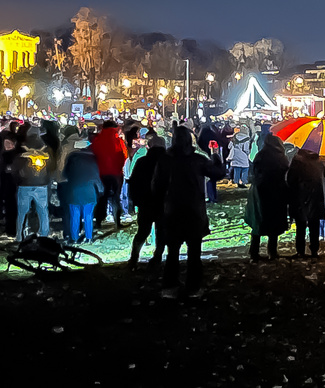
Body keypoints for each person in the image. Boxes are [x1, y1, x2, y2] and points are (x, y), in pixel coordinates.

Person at [155, 126, 226, 298]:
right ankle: (193, 287)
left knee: (173, 251)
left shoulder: (165, 160)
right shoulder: (198, 160)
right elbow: (218, 173)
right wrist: (215, 156)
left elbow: (156, 186)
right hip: (193, 211)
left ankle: (170, 286)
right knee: (194, 253)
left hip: (172, 211)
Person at [126, 135, 168, 269]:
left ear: (149, 147)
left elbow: (133, 182)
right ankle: (158, 257)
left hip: (146, 203)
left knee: (142, 231)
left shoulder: (142, 161)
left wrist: (135, 201)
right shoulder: (169, 162)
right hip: (164, 203)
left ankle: (134, 258)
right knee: (162, 232)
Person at [246, 135, 290, 259]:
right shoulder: (281, 157)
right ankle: (272, 252)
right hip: (276, 193)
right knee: (273, 224)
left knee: (258, 222)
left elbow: (254, 172)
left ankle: (254, 252)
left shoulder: (260, 155)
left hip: (259, 193)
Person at [11, 127, 54, 240]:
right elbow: (51, 167)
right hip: (42, 185)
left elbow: (15, 167)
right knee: (43, 211)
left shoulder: (22, 148)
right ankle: (44, 234)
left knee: (22, 212)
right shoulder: (46, 149)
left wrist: (18, 179)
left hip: (24, 185)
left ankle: (20, 235)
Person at [287, 143, 325, 257]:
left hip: (300, 195)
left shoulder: (298, 159)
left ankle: (300, 251)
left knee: (301, 225)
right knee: (314, 224)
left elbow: (290, 179)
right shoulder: (320, 159)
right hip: (316, 196)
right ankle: (314, 250)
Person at [60, 137, 102, 244]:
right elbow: (96, 176)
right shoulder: (92, 160)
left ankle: (74, 237)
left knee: (74, 215)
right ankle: (89, 237)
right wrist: (101, 188)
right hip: (89, 191)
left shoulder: (71, 159)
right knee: (88, 215)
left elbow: (65, 174)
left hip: (74, 190)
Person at [92, 121, 130, 228]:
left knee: (102, 198)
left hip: (101, 173)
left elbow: (94, 154)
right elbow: (125, 155)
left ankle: (99, 220)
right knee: (115, 197)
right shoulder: (118, 141)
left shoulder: (97, 140)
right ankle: (117, 222)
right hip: (116, 174)